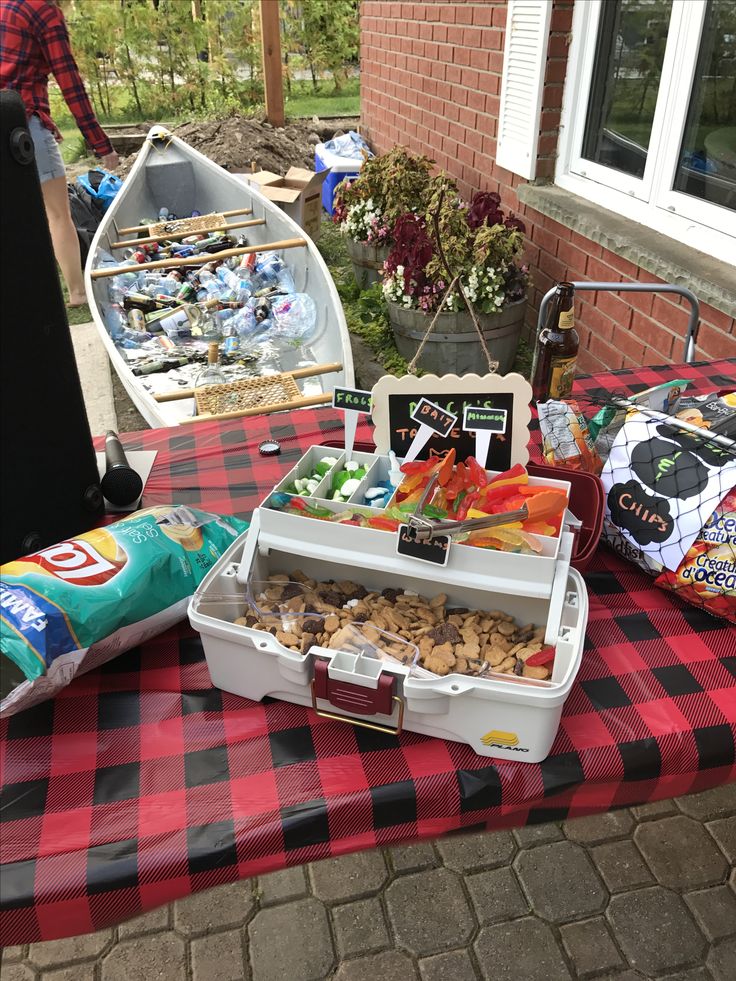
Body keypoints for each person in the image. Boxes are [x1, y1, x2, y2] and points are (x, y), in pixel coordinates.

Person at [0, 0, 119, 306]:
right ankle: (78, 293)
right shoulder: (44, 12)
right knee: (57, 214)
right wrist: (101, 144)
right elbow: (70, 83)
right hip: (22, 125)